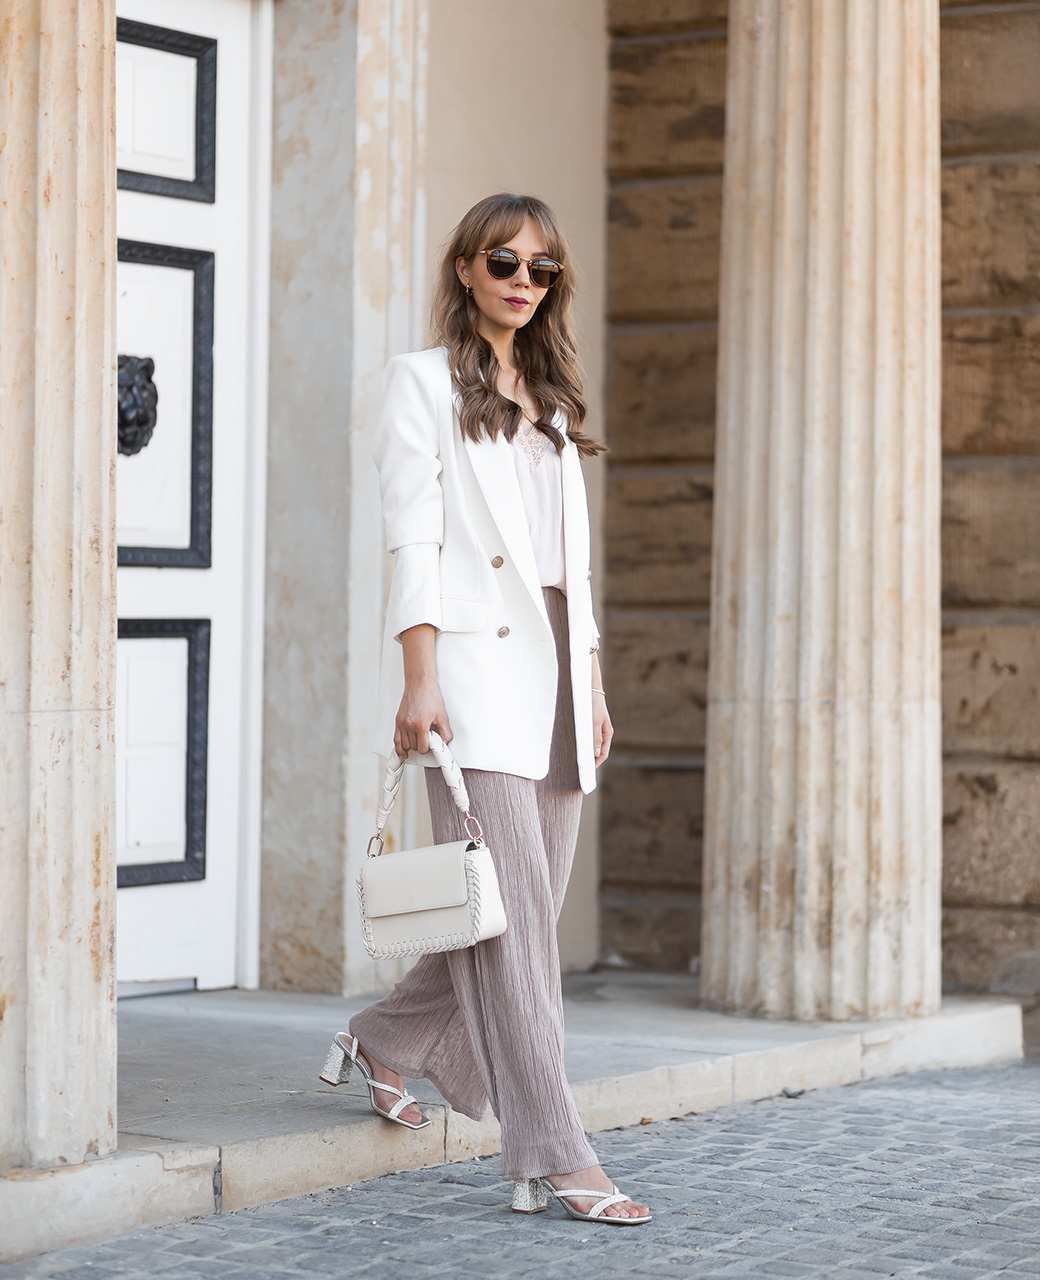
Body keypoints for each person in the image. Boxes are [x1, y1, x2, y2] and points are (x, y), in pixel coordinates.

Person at [322, 193, 651, 1225]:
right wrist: (418, 678)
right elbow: (412, 540)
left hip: (556, 675)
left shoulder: (549, 399)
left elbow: (566, 571)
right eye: (503, 260)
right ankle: (554, 1150)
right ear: (465, 267)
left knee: (515, 912)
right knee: (518, 939)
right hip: (473, 677)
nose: (522, 280)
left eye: (541, 268)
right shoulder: (420, 382)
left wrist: (590, 683)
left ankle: (382, 1038)